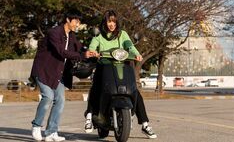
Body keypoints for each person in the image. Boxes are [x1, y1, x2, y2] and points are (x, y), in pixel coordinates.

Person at [84, 9, 157, 139]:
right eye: (109, 21)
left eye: (114, 21)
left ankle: (145, 124)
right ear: (105, 22)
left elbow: (129, 46)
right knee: (96, 88)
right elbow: (91, 48)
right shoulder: (99, 36)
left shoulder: (122, 34)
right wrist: (93, 52)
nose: (111, 24)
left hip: (121, 67)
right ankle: (89, 117)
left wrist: (137, 54)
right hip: (104, 67)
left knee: (135, 92)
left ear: (117, 23)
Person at [30, 10, 94, 141]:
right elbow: (61, 52)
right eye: (76, 21)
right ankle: (36, 126)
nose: (78, 24)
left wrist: (90, 52)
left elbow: (80, 48)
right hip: (43, 71)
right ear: (68, 20)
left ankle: (51, 133)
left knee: (60, 100)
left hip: (57, 73)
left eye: (79, 22)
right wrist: (82, 55)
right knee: (48, 97)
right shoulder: (54, 33)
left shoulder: (71, 36)